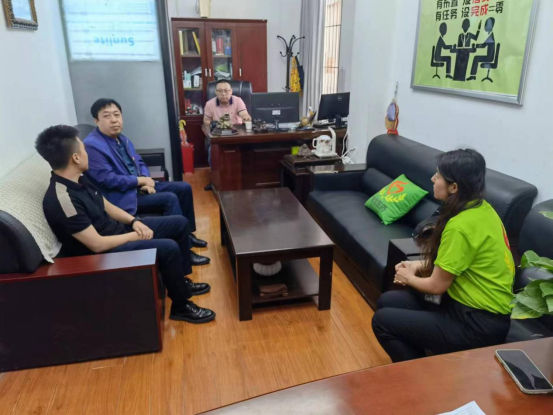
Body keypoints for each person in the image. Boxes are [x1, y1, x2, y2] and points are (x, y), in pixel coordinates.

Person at [36, 125, 215, 324]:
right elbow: (96, 245)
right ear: (76, 158)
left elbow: (106, 205)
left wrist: (134, 221)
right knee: (168, 248)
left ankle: (181, 281)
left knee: (179, 224)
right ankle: (181, 306)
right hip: (102, 254)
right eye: (84, 150)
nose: (87, 154)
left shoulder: (79, 179)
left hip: (117, 231)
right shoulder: (62, 199)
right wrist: (134, 235)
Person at [372, 149, 514, 362]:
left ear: (454, 187)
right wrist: (417, 265)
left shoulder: (460, 226)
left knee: (382, 321)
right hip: (462, 303)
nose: (433, 179)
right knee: (387, 300)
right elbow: (459, 262)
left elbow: (436, 286)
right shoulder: (482, 209)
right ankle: (426, 357)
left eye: (438, 176)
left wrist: (407, 278)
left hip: (477, 322)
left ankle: (421, 374)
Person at [84, 98, 210, 266]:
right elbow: (109, 180)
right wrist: (139, 181)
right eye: (107, 116)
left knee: (184, 187)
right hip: (122, 196)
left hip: (137, 187)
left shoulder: (121, 138)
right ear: (96, 121)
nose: (114, 120)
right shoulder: (92, 145)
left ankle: (187, 234)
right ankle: (184, 251)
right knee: (169, 198)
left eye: (117, 115)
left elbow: (139, 162)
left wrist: (145, 180)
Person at [203, 79, 252, 190]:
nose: (223, 94)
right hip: (218, 135)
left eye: (226, 90)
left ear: (231, 91)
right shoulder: (210, 104)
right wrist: (216, 124)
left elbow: (244, 113)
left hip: (237, 135)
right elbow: (206, 121)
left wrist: (246, 117)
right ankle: (215, 180)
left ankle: (245, 180)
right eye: (220, 91)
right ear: (215, 92)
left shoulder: (238, 101)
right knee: (212, 151)